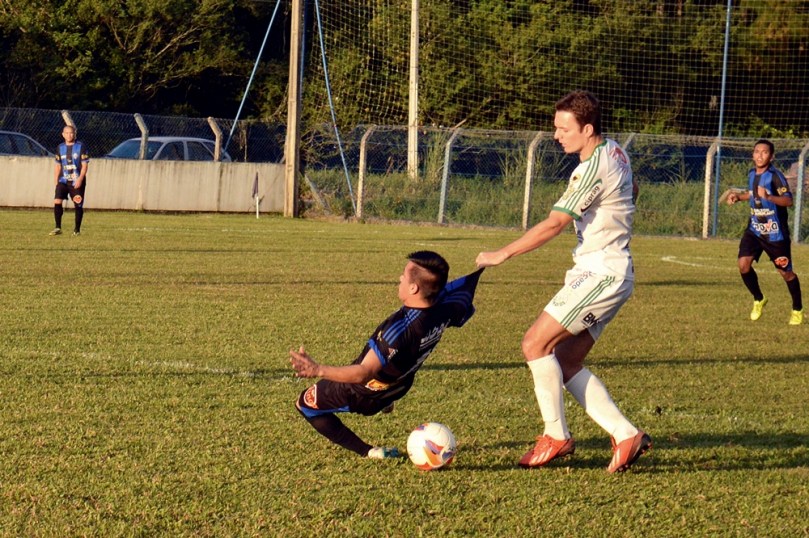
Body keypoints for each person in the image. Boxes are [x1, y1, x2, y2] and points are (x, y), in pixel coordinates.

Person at [475, 90, 650, 473]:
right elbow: (632, 188)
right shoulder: (616, 150)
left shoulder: (590, 169)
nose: (557, 136)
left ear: (587, 129)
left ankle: (555, 435)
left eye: (563, 128)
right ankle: (625, 434)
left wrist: (502, 253)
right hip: (613, 272)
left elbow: (555, 223)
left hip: (601, 273)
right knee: (567, 361)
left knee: (535, 343)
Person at [290, 251, 483, 459]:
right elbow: (464, 297)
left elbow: (363, 373)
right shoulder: (445, 304)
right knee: (390, 368)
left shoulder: (399, 329)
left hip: (362, 393)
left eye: (404, 275)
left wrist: (318, 369)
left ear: (413, 288)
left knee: (305, 405)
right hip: (400, 386)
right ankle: (387, 399)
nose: (400, 278)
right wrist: (485, 266)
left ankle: (368, 451)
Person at [726, 139, 803, 325]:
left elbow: (788, 201)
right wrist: (739, 197)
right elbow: (753, 194)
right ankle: (759, 299)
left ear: (771, 156)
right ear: (752, 155)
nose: (760, 155)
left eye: (764, 152)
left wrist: (769, 196)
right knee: (743, 265)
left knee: (786, 273)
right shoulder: (752, 173)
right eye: (757, 151)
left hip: (775, 234)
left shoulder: (775, 176)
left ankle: (797, 310)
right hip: (754, 229)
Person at [50, 124, 89, 236]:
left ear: (75, 134)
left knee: (78, 204)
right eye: (66, 133)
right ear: (63, 134)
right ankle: (58, 227)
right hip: (63, 180)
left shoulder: (81, 146)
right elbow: (58, 166)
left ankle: (77, 230)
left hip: (76, 181)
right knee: (57, 201)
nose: (69, 135)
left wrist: (80, 179)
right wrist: (56, 181)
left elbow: (85, 165)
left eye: (71, 133)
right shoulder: (60, 147)